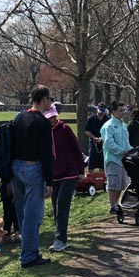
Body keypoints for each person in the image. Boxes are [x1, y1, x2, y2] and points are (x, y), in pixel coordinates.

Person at [11, 85, 54, 268]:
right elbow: (46, 153)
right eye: (50, 99)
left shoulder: (19, 117)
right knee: (32, 215)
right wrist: (50, 181)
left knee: (22, 214)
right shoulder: (42, 122)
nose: (50, 102)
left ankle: (27, 249)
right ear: (43, 99)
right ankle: (29, 255)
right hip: (32, 168)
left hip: (16, 167)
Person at [46, 104, 85, 252]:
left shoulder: (65, 129)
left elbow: (76, 149)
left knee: (62, 204)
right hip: (54, 174)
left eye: (53, 117)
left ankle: (61, 239)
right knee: (56, 205)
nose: (51, 120)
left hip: (70, 172)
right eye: (48, 117)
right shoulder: (44, 132)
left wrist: (81, 170)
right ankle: (59, 235)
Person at [101, 101, 131, 214]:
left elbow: (126, 142)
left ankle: (116, 204)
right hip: (113, 160)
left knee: (121, 185)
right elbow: (109, 143)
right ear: (113, 112)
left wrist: (131, 150)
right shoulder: (108, 126)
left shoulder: (123, 125)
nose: (123, 113)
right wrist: (121, 151)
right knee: (113, 185)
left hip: (123, 160)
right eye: (120, 111)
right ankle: (112, 206)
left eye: (124, 110)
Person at [84, 102, 109, 171]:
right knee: (92, 162)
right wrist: (94, 137)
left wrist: (103, 138)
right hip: (94, 143)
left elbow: (110, 132)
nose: (101, 114)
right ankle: (91, 178)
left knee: (103, 162)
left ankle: (102, 179)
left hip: (104, 143)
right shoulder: (91, 119)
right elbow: (87, 131)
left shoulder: (107, 119)